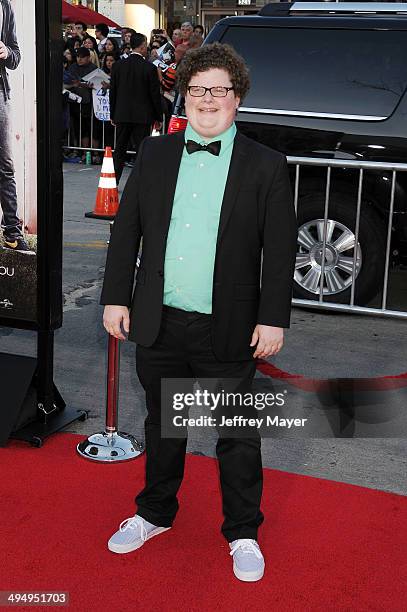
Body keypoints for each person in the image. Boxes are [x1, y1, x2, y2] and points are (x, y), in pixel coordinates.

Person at [100, 42, 298, 582]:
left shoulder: (266, 165)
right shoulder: (157, 154)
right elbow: (126, 236)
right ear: (183, 96)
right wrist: (116, 298)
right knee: (164, 427)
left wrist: (273, 317)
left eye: (219, 90)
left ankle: (243, 532)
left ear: (237, 98)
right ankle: (154, 514)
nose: (208, 99)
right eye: (197, 89)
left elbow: (280, 253)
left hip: (228, 326)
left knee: (235, 433)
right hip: (158, 321)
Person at [0, 0, 32, 252]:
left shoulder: (5, 6)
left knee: (5, 165)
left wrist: (7, 52)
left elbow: (16, 56)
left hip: (0, 94)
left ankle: (12, 230)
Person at [109, 32, 162, 183]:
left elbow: (113, 92)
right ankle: (141, 182)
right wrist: (158, 117)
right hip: (142, 116)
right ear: (143, 46)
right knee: (141, 150)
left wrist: (112, 113)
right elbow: (154, 95)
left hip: (122, 114)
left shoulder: (118, 66)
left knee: (119, 149)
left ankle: (114, 181)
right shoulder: (149, 68)